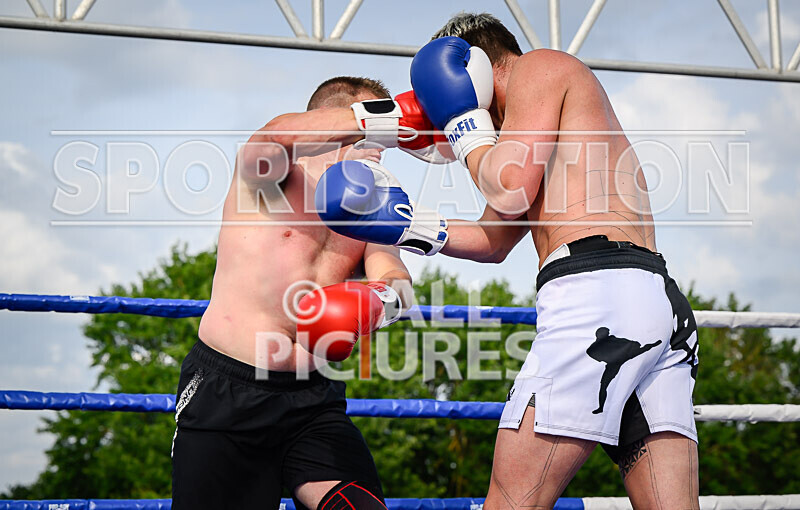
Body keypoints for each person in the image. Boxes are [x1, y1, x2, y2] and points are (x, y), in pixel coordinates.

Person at [313, 13, 701, 510]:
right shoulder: (529, 137)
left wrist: (463, 122)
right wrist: (405, 226)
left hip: (596, 297)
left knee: (511, 501)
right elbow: (494, 240)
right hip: (652, 304)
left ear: (470, 68)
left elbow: (509, 182)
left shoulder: (541, 68)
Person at [170, 76, 416, 510]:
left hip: (313, 399)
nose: (384, 147)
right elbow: (276, 134)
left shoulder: (373, 204)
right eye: (376, 135)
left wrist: (378, 302)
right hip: (228, 389)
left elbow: (395, 275)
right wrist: (387, 116)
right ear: (334, 123)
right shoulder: (271, 177)